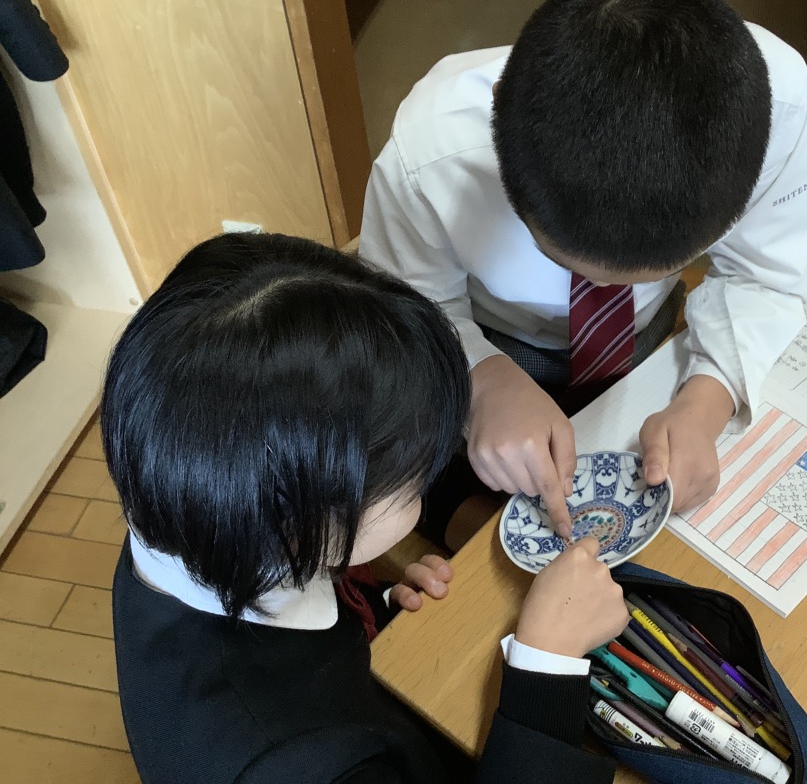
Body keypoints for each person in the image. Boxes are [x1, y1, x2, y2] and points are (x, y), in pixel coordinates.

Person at [103, 232, 628, 784]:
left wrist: (374, 610)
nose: (425, 485)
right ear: (313, 519)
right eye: (414, 481)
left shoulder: (187, 514)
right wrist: (548, 665)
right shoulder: (306, 768)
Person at [360, 0, 807, 540]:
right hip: (492, 337)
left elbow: (763, 274)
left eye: (666, 266)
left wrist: (708, 399)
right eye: (561, 261)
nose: (599, 288)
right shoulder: (430, 151)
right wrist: (481, 377)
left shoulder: (775, 102)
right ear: (498, 114)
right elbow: (406, 308)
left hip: (645, 337)